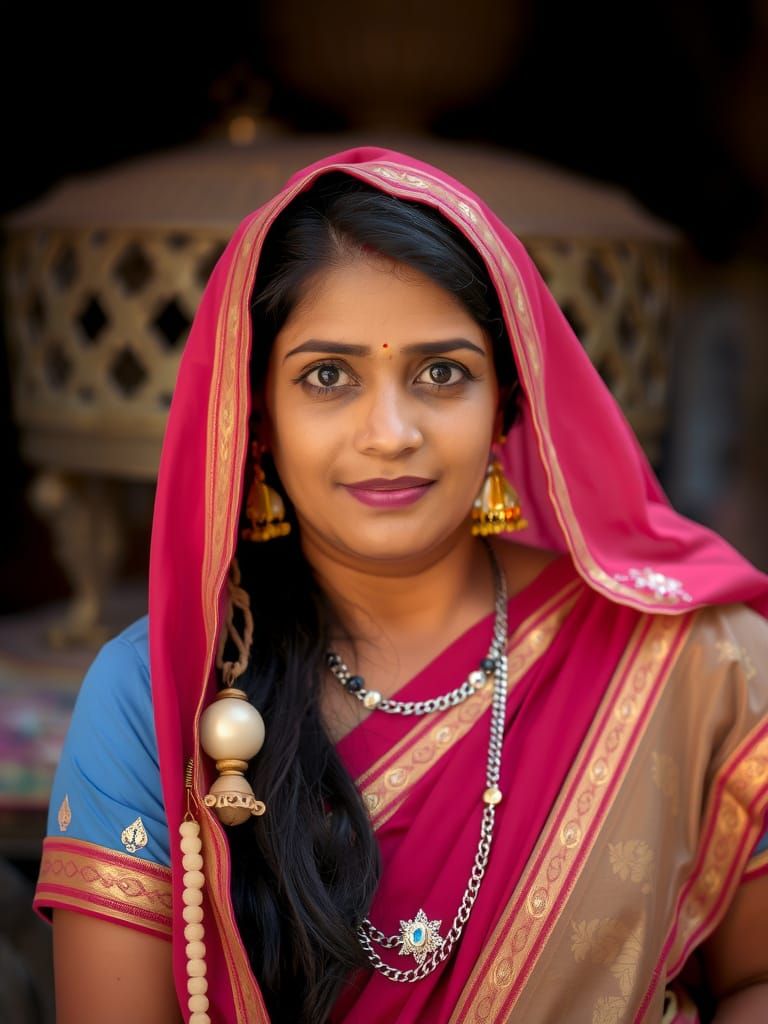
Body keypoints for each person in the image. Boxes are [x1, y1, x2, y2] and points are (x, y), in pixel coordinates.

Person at [33, 148, 768, 1024]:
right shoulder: (159, 695)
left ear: (505, 404)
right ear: (257, 418)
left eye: (442, 373)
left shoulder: (691, 661)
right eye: (328, 377)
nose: (390, 432)